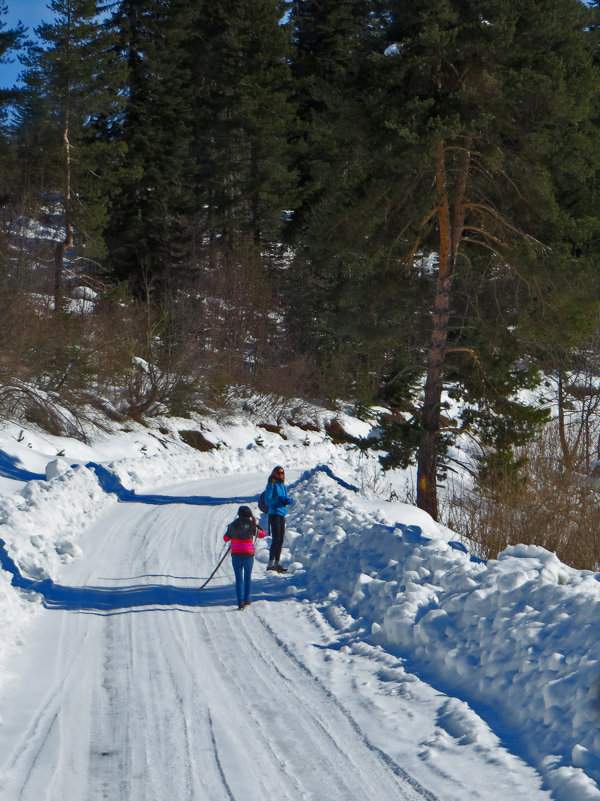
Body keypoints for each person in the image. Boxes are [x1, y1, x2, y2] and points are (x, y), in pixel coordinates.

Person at [224, 505, 266, 610]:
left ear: (239, 514)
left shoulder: (233, 525)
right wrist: (256, 524)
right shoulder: (251, 526)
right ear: (250, 515)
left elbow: (225, 538)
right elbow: (262, 534)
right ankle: (247, 599)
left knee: (239, 579)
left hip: (236, 555)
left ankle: (240, 602)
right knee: (247, 577)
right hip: (248, 555)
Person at [264, 465, 294, 573]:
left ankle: (277, 563)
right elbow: (267, 501)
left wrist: (288, 500)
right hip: (274, 514)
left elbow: (283, 499)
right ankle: (271, 564)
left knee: (280, 539)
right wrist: (278, 499)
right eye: (278, 473)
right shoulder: (271, 485)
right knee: (276, 539)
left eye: (282, 473)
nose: (281, 475)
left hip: (281, 514)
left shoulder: (282, 486)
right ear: (274, 474)